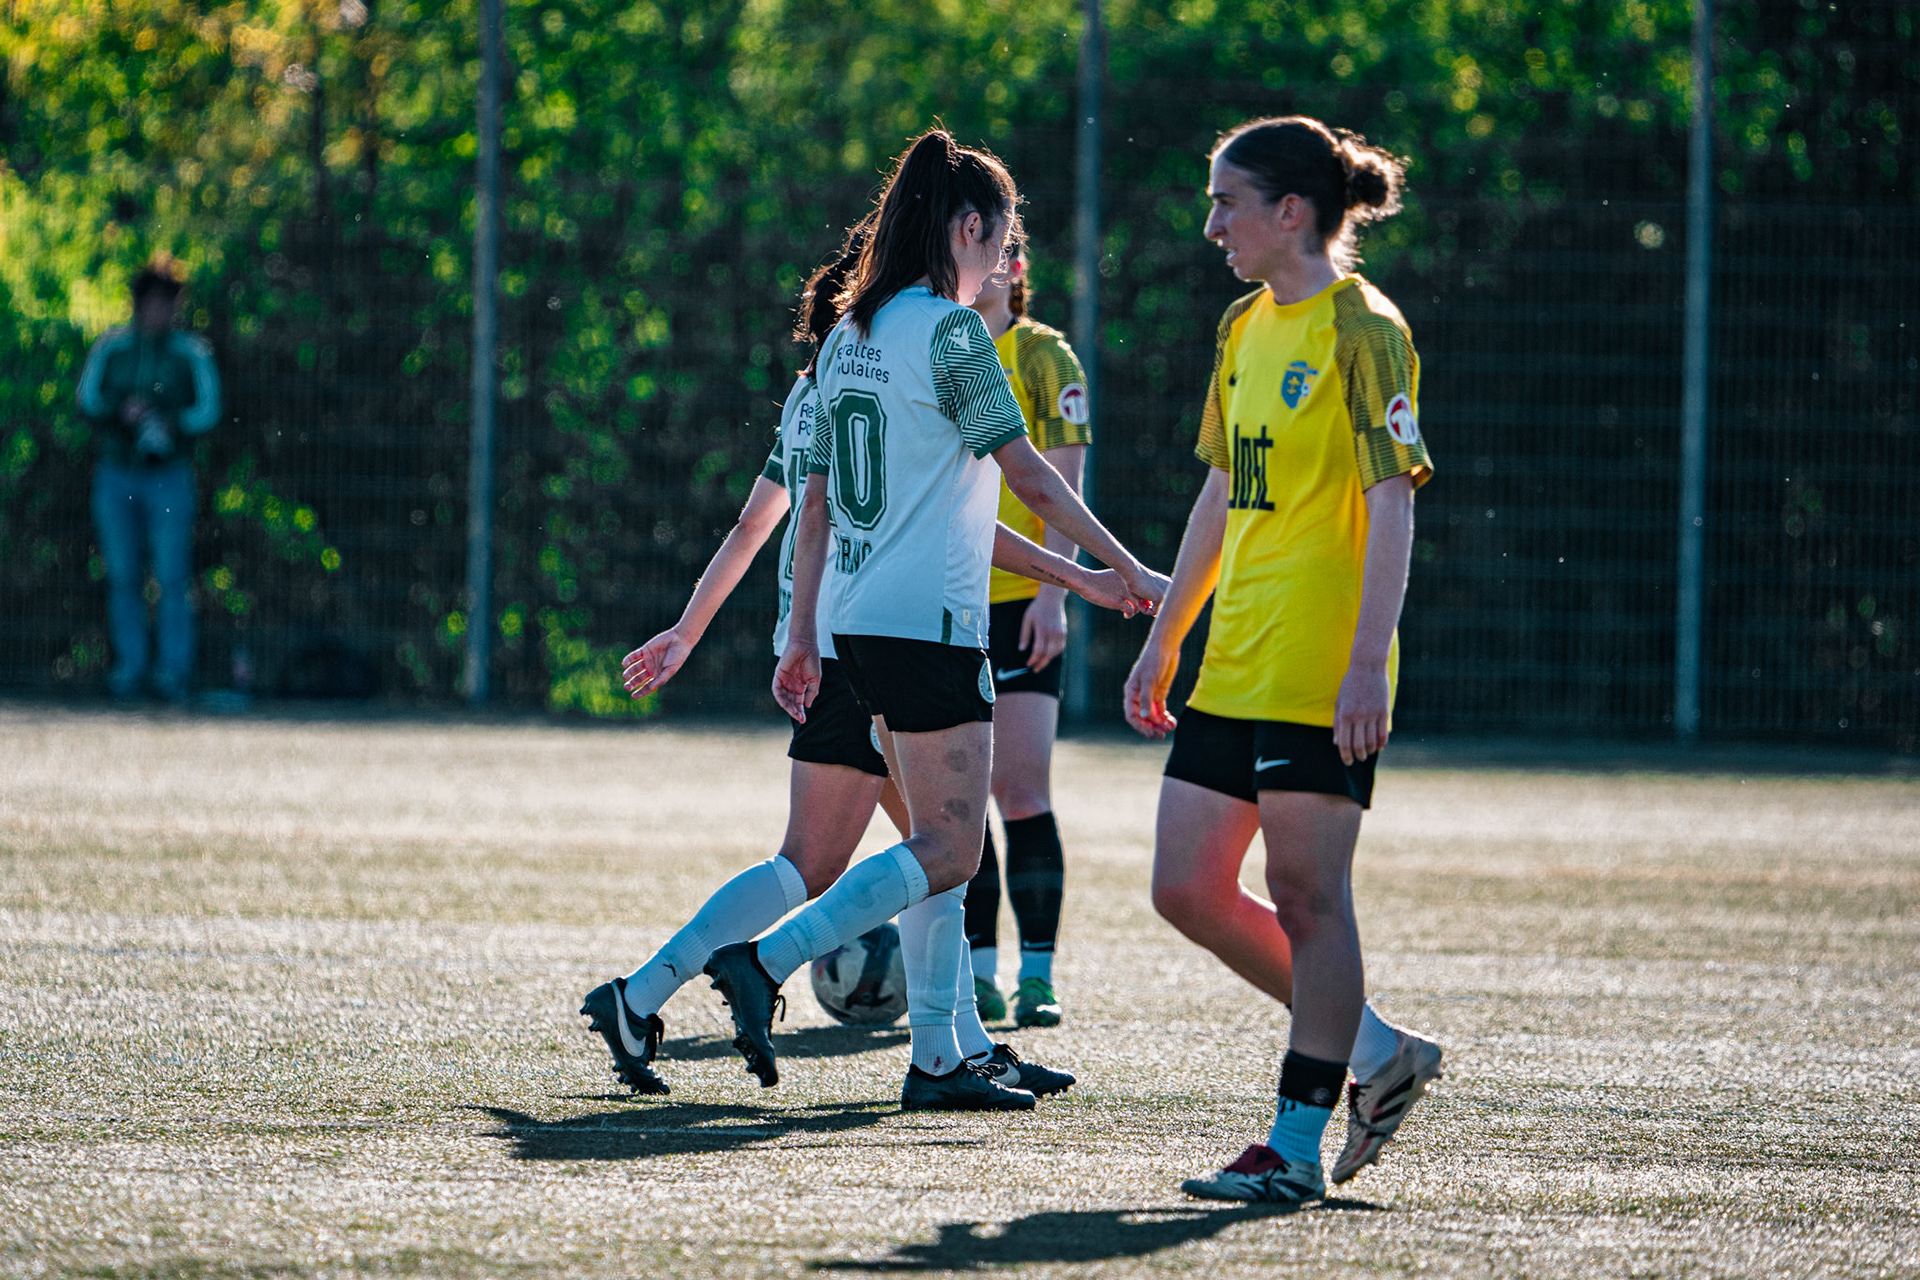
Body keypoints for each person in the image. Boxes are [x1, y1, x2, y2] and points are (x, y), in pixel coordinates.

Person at [580, 224, 1140, 1100]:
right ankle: (932, 1045)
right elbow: (919, 516)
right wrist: (1088, 573)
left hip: (830, 635)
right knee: (940, 847)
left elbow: (761, 521)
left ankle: (642, 995)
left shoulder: (820, 383)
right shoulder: (913, 354)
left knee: (832, 858)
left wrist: (703, 631)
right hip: (883, 634)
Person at [701, 129, 1168, 1112]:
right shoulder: (953, 334)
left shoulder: (855, 331)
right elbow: (1029, 473)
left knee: (941, 848)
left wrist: (800, 634)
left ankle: (948, 1051)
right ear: (964, 226)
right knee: (952, 847)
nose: (1008, 256)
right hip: (930, 623)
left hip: (859, 615)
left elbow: (826, 499)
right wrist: (1124, 566)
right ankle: (770, 959)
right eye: (1002, 236)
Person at [1121, 116, 1444, 1205]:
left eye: (1227, 202)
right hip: (1236, 653)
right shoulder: (1242, 326)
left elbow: (1391, 501)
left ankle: (1292, 1146)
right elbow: (1221, 491)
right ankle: (1379, 1049)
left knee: (1308, 895)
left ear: (1290, 211)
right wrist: (1168, 634)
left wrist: (1366, 663)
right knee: (1185, 886)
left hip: (1318, 659)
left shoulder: (1366, 330)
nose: (1212, 223)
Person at [963, 250, 1091, 1028]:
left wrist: (1054, 595)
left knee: (1022, 788)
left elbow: (1062, 483)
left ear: (1020, 267)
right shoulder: (941, 344)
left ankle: (1036, 975)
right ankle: (977, 972)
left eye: (1007, 255)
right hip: (947, 600)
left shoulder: (1043, 355)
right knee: (958, 798)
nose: (992, 268)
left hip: (1022, 605)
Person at [76, 260, 222, 703]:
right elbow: (87, 400)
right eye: (155, 302)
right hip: (117, 476)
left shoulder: (191, 352)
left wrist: (171, 424)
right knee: (123, 577)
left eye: (169, 302)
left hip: (169, 479)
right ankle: (130, 672)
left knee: (172, 577)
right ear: (139, 305)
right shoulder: (111, 347)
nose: (163, 311)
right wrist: (122, 415)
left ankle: (173, 674)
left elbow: (208, 410)